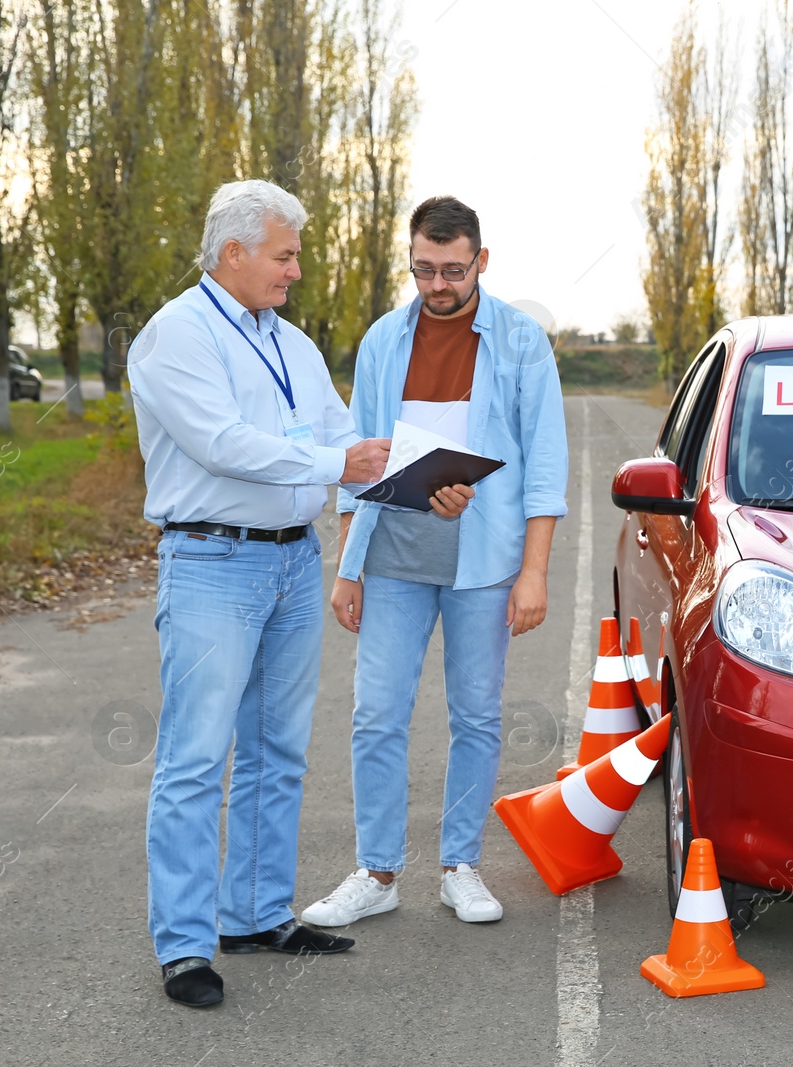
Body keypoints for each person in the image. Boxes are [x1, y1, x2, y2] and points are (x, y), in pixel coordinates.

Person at [133, 180, 421, 1008]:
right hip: (213, 564)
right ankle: (186, 945)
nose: (295, 270)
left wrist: (419, 474)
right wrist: (341, 465)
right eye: (284, 254)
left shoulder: (290, 342)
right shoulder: (174, 336)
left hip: (294, 561)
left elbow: (338, 433)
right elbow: (223, 444)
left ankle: (256, 912)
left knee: (276, 749)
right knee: (194, 759)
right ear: (234, 253)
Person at [302, 196, 568, 928]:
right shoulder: (384, 340)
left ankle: (461, 865)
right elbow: (362, 458)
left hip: (484, 561)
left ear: (482, 261)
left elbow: (545, 464)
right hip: (392, 552)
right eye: (424, 269)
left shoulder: (521, 342)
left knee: (476, 714)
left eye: (452, 270)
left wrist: (535, 571)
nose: (438, 284)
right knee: (376, 712)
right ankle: (378, 871)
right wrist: (348, 565)